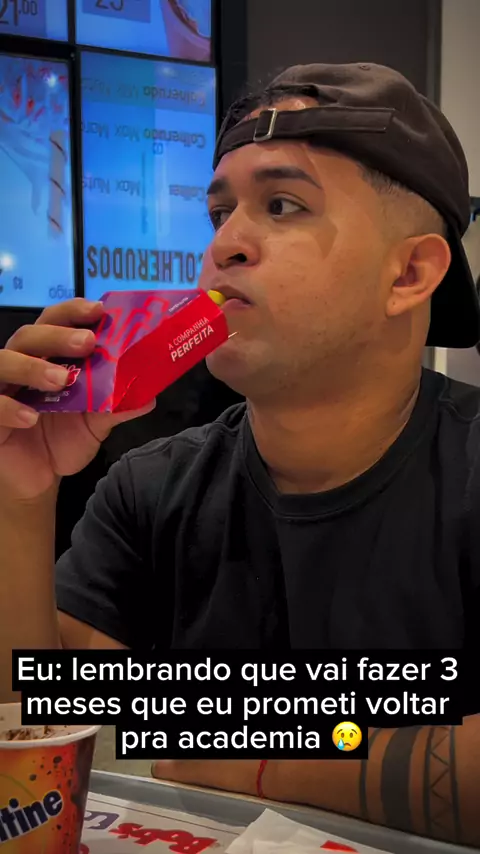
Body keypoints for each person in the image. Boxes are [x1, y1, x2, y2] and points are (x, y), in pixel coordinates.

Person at [0, 62, 479, 845]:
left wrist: (246, 756)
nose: (224, 245)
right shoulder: (150, 487)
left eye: (282, 205)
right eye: (220, 212)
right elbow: (31, 761)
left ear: (410, 271)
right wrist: (17, 500)